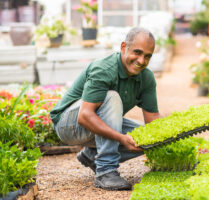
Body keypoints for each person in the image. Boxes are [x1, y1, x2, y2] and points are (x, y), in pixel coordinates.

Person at [50, 27, 161, 191]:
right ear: (124, 47)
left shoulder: (146, 78)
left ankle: (92, 156)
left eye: (147, 56)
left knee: (148, 138)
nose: (141, 60)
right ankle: (106, 171)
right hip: (68, 125)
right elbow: (85, 116)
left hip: (95, 123)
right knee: (111, 97)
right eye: (137, 52)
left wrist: (169, 143)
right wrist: (121, 138)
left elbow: (154, 123)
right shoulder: (104, 69)